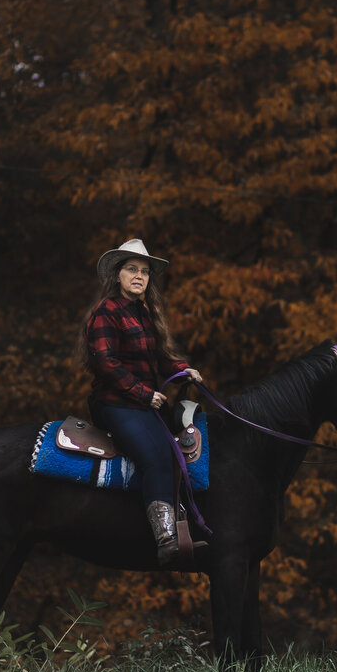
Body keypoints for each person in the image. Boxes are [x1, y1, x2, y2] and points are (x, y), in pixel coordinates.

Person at [76, 238, 203, 566]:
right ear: (117, 275)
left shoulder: (144, 314)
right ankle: (165, 538)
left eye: (145, 272)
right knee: (157, 456)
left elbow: (159, 358)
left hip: (143, 405)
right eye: (132, 269)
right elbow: (105, 362)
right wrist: (143, 393)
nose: (139, 276)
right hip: (116, 403)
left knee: (179, 447)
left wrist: (182, 370)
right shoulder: (105, 312)